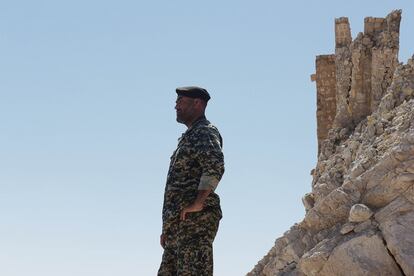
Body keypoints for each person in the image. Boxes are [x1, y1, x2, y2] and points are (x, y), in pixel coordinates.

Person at [158, 86, 225, 276]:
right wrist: (167, 228)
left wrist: (198, 203)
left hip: (195, 224)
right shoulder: (189, 136)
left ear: (197, 103)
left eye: (181, 101)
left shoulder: (205, 132)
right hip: (178, 228)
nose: (176, 106)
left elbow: (214, 165)